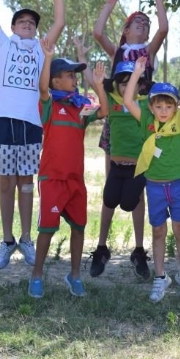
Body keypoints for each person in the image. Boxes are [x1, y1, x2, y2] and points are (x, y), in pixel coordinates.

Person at [0, 0, 66, 270]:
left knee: (27, 183)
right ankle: (7, 241)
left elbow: (59, 20)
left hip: (31, 124)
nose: (28, 24)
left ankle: (27, 238)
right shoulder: (2, 45)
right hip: (3, 122)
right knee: (6, 184)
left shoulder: (42, 48)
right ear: (14, 27)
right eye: (22, 21)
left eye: (32, 22)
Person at [89, 0, 169, 276]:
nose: (145, 26)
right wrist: (110, 4)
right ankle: (101, 246)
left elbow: (164, 28)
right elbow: (98, 32)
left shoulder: (147, 53)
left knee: (138, 189)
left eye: (145, 24)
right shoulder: (119, 52)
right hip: (117, 124)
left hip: (142, 121)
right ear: (126, 29)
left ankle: (139, 250)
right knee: (112, 184)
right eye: (138, 22)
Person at [28, 39, 108, 298]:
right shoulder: (50, 105)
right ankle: (37, 275)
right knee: (47, 229)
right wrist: (48, 58)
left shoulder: (79, 108)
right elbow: (41, 88)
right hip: (52, 179)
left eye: (75, 75)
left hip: (76, 180)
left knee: (79, 227)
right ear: (55, 82)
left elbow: (104, 111)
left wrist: (98, 85)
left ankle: (74, 276)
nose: (74, 79)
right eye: (69, 76)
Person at [123, 57, 180, 302]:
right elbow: (128, 100)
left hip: (178, 184)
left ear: (175, 107)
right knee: (158, 231)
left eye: (169, 106)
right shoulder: (146, 121)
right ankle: (160, 277)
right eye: (158, 106)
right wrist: (137, 73)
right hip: (154, 186)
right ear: (151, 107)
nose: (164, 111)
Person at [90, 59, 151, 280]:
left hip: (137, 168)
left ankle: (138, 250)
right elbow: (99, 95)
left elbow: (174, 101)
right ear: (115, 85)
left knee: (131, 203)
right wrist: (98, 83)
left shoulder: (145, 104)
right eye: (122, 82)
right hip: (116, 166)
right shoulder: (112, 102)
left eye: (131, 81)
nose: (126, 86)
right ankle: (101, 248)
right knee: (108, 200)